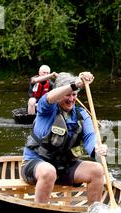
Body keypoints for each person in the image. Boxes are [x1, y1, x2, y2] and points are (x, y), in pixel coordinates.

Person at [21, 71, 107, 205]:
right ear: (60, 93)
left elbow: (90, 137)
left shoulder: (82, 115)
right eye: (68, 94)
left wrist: (97, 149)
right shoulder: (46, 108)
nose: (71, 99)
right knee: (49, 171)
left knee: (97, 170)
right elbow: (49, 97)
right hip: (36, 165)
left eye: (74, 95)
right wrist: (74, 84)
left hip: (64, 167)